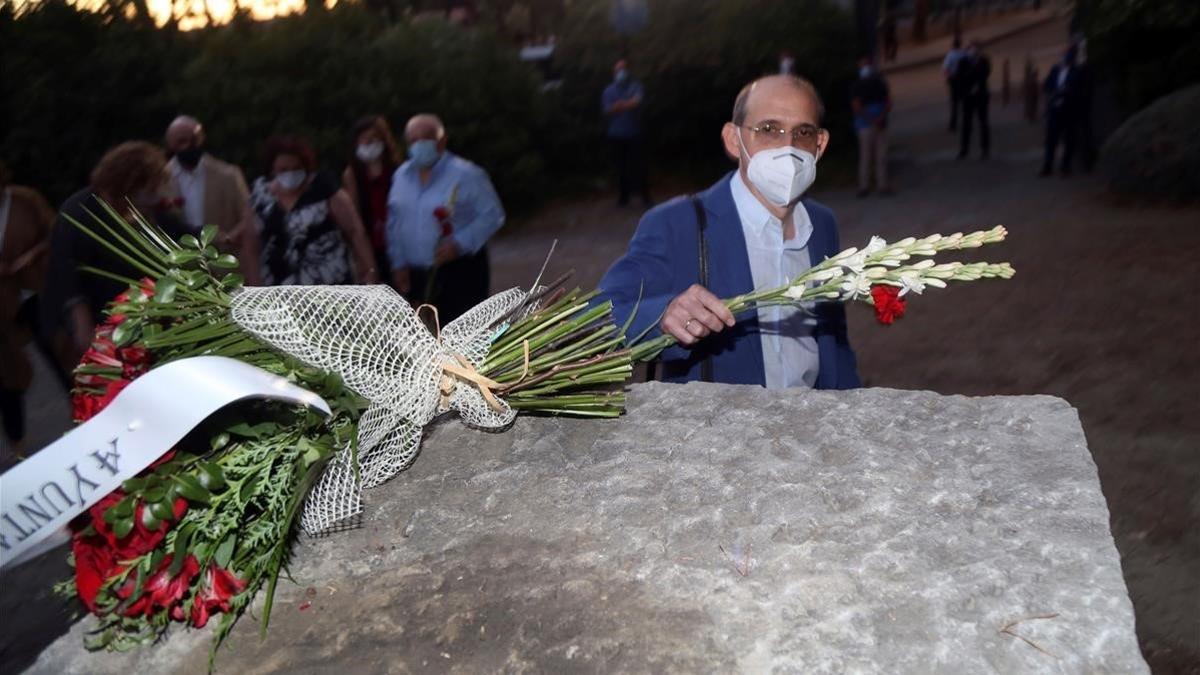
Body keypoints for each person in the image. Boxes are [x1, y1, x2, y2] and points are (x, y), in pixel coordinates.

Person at [597, 75, 860, 389]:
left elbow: (833, 339)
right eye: (768, 130)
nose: (787, 146)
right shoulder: (677, 224)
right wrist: (661, 315)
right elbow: (596, 320)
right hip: (723, 433)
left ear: (820, 143)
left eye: (802, 132)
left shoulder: (821, 224)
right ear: (734, 140)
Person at [39, 142, 186, 368]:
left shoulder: (140, 208)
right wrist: (84, 329)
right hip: (87, 322)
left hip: (133, 317)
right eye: (151, 185)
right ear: (131, 182)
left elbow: (177, 230)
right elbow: (69, 279)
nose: (156, 192)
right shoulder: (79, 212)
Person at [385, 114, 505, 322]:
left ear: (442, 140)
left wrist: (459, 244)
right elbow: (394, 222)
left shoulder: (467, 174)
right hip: (417, 275)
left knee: (463, 333)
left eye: (426, 137)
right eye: (413, 139)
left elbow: (493, 215)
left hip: (460, 271)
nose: (419, 144)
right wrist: (398, 263)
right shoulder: (400, 176)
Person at [247, 136, 378, 286]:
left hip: (330, 284)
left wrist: (370, 270)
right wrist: (254, 286)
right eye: (283, 170)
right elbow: (251, 245)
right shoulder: (260, 196)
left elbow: (355, 231)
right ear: (272, 170)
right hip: (279, 289)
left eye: (296, 168)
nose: (290, 174)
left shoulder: (323, 188)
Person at [163, 115, 260, 284]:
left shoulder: (228, 175)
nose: (189, 146)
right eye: (182, 141)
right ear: (171, 144)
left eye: (194, 140)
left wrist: (230, 236)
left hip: (225, 271)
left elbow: (249, 216)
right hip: (180, 273)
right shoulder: (160, 180)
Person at [0, 162, 56, 455]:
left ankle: (85, 412)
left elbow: (53, 230)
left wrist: (30, 256)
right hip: (3, 304)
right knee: (8, 370)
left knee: (57, 351)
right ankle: (18, 441)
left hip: (35, 289)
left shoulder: (24, 200)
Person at [342, 115, 402, 286]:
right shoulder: (352, 174)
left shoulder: (397, 170)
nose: (369, 144)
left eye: (373, 139)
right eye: (364, 140)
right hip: (372, 244)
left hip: (397, 242)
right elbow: (355, 217)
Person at [601, 59, 652, 207]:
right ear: (614, 72)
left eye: (622, 69)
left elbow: (637, 102)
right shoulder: (608, 90)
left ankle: (645, 197)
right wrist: (626, 104)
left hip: (634, 132)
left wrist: (619, 105)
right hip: (616, 135)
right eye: (618, 70)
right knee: (621, 168)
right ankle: (624, 198)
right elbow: (608, 110)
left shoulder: (635, 86)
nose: (620, 72)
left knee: (640, 166)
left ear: (628, 71)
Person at [851, 56, 892, 197]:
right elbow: (857, 106)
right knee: (869, 156)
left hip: (870, 124)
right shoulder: (859, 85)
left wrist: (876, 119)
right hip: (870, 124)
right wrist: (877, 119)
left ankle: (878, 185)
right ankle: (867, 185)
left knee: (878, 156)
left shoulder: (879, 83)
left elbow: (888, 102)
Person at [1041, 45, 1083, 177]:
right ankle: (1048, 165)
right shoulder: (1055, 70)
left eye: (1066, 56)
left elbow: (1075, 89)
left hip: (1068, 110)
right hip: (1054, 109)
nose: (1063, 58)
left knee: (1069, 138)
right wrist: (1054, 94)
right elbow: (1047, 85)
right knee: (1051, 139)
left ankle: (1066, 166)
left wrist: (1064, 93)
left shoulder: (1076, 71)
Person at [957, 41, 991, 160]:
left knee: (983, 123)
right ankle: (964, 149)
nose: (974, 51)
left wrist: (975, 78)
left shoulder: (984, 61)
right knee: (966, 124)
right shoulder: (963, 62)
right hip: (968, 96)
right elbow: (960, 77)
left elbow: (985, 75)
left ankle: (985, 149)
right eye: (971, 49)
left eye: (976, 49)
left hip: (981, 95)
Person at [943, 37, 966, 131]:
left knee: (954, 103)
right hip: (964, 80)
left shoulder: (950, 55)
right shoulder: (964, 54)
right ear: (960, 45)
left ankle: (953, 124)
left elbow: (945, 69)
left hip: (954, 80)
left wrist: (948, 78)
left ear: (953, 45)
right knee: (964, 102)